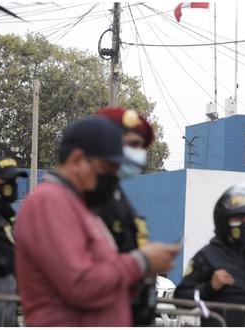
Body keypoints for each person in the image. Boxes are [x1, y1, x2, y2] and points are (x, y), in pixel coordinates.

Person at [14, 117, 180, 326]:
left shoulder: (80, 206)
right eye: (107, 168)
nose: (111, 177)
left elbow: (104, 272)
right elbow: (80, 284)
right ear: (77, 160)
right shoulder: (49, 202)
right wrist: (141, 261)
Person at [174, 184, 245, 326]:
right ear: (223, 220)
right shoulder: (207, 256)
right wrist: (210, 287)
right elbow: (180, 299)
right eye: (238, 218)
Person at [93, 107, 156, 325]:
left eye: (140, 146)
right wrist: (143, 261)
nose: (138, 153)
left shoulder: (118, 196)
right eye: (131, 145)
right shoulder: (87, 200)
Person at [0, 156, 27, 326]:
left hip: (6, 297)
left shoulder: (4, 214)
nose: (12, 185)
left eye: (14, 180)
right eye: (7, 180)